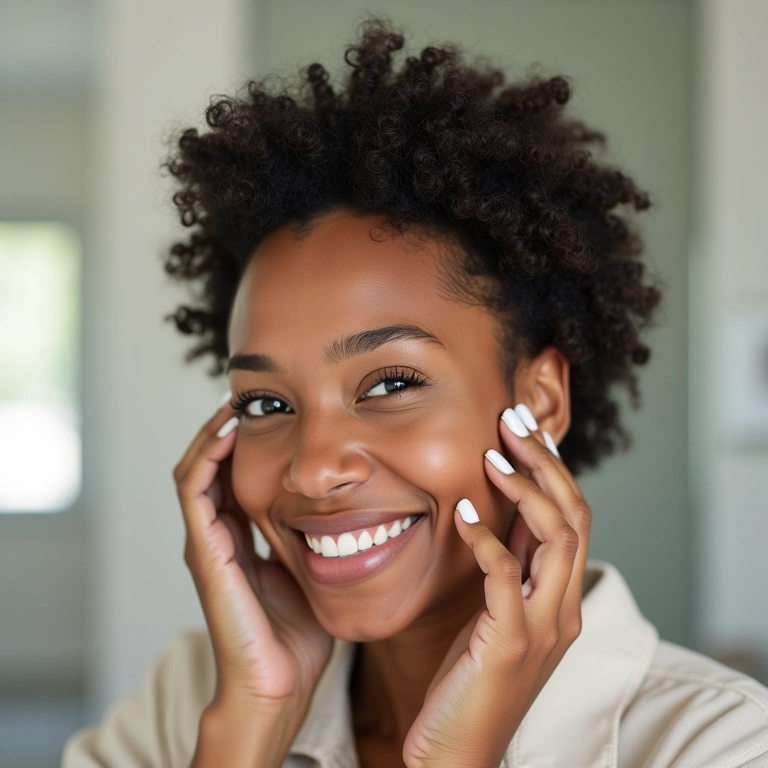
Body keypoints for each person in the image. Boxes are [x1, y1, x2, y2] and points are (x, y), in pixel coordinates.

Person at [62, 18, 768, 768]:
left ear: (541, 402)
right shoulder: (187, 702)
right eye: (267, 403)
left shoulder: (720, 744)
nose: (314, 470)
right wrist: (251, 724)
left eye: (392, 384)